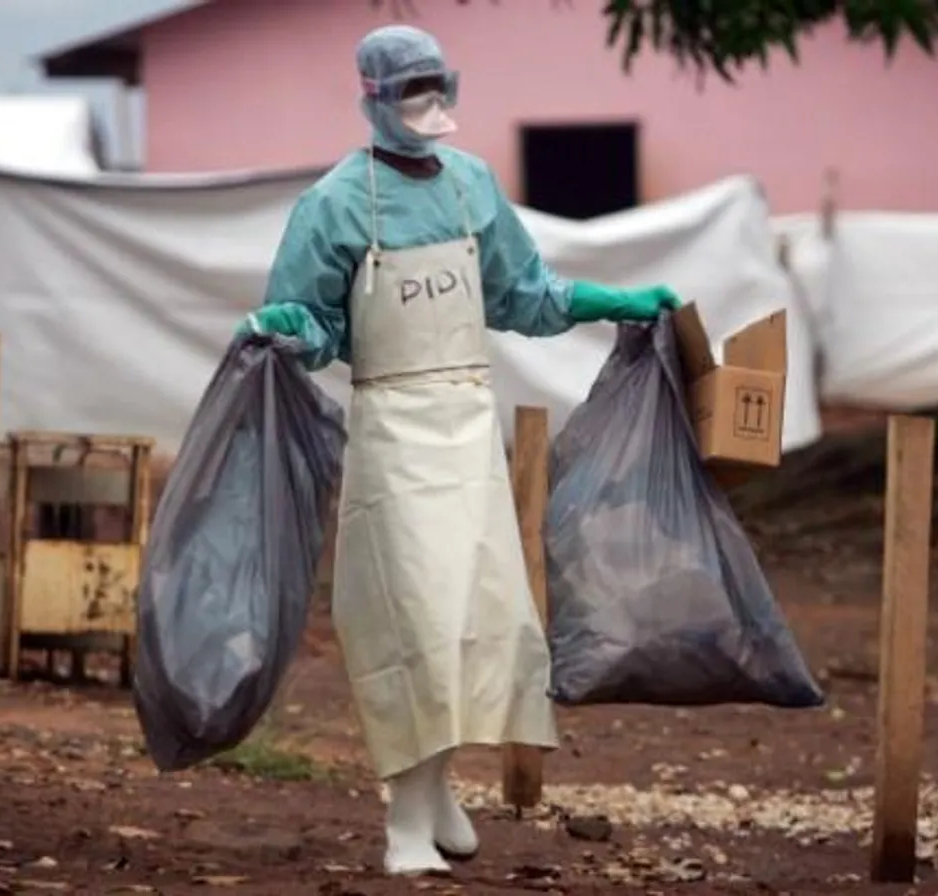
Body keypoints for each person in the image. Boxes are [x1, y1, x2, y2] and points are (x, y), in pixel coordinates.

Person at [237, 24, 680, 876]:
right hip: (393, 434)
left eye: (435, 83)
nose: (424, 101)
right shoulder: (333, 203)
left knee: (474, 616)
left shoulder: (473, 184)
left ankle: (436, 790)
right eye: (407, 88)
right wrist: (293, 327)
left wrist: (613, 300)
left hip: (466, 427)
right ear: (371, 97)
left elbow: (526, 296)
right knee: (411, 615)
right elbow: (315, 325)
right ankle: (404, 815)